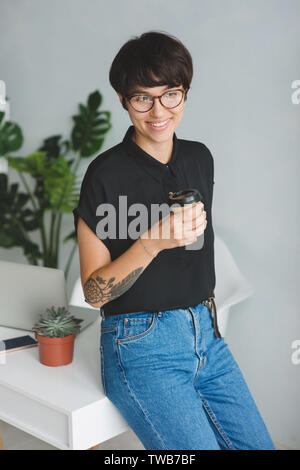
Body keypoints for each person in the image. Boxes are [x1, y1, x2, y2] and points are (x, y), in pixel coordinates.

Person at [73, 31, 275, 450]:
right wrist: (152, 241)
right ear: (123, 99)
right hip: (141, 346)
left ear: (184, 94)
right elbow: (94, 292)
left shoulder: (199, 158)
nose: (158, 111)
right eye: (142, 98)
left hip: (207, 335)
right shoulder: (105, 175)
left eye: (171, 95)